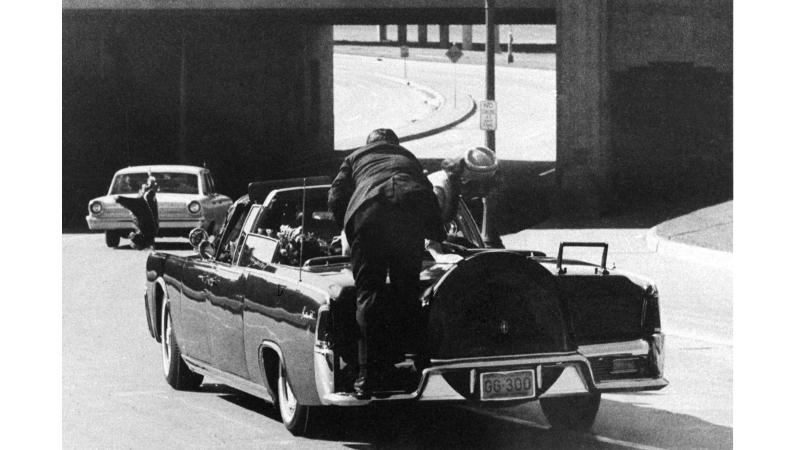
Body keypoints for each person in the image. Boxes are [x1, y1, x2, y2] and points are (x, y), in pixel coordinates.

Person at [328, 128, 446, 398]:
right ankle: (419, 369)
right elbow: (427, 195)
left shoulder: (355, 158)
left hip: (369, 216)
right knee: (409, 294)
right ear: (394, 144)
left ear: (369, 144)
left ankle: (367, 379)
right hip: (409, 216)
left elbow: (335, 197)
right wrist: (438, 236)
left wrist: (347, 230)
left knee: (369, 295)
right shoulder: (408, 157)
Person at [425, 146, 499, 259]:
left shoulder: (452, 186)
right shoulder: (438, 187)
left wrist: (444, 242)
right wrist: (439, 255)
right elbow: (427, 225)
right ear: (465, 180)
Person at [115, 175, 159, 249]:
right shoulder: (146, 230)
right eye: (134, 236)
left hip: (143, 210)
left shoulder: (149, 233)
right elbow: (138, 205)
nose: (132, 234)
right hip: (144, 211)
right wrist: (119, 199)